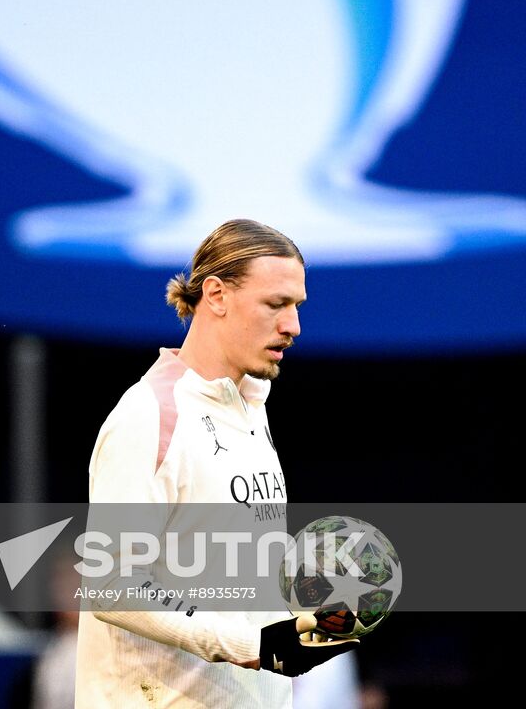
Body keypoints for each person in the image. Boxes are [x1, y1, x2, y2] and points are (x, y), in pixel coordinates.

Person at [74, 219, 356, 708]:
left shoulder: (250, 410)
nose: (293, 326)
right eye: (276, 304)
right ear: (217, 295)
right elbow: (112, 583)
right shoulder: (148, 414)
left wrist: (299, 618)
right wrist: (252, 645)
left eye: (297, 306)